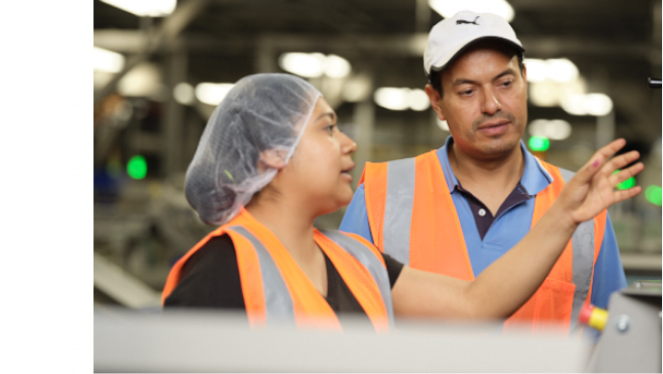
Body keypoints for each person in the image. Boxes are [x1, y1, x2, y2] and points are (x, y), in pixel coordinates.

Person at [162, 73, 642, 332]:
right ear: (272, 152)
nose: (349, 144)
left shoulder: (356, 260)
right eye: (328, 129)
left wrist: (563, 214)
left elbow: (475, 304)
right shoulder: (219, 271)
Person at [339, 11, 630, 331]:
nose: (492, 104)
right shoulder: (381, 197)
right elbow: (345, 330)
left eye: (505, 83)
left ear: (524, 80)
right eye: (468, 91)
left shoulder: (582, 206)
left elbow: (617, 334)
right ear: (436, 101)